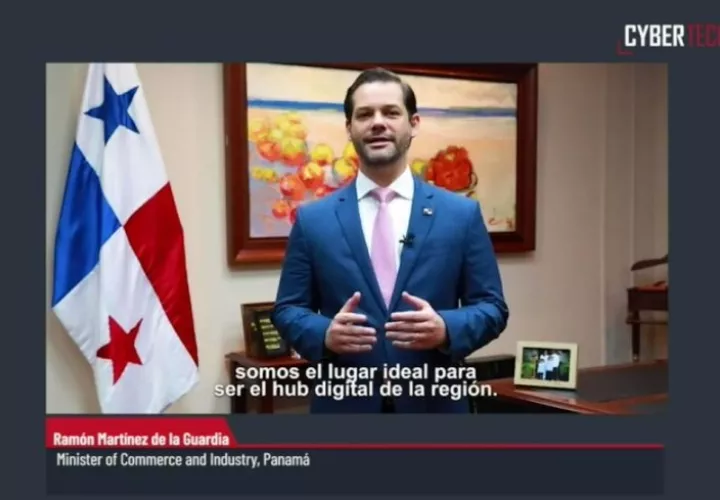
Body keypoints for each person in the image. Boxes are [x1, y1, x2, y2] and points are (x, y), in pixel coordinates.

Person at [271, 67, 509, 413]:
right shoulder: (313, 220)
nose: (378, 123)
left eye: (391, 112)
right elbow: (287, 309)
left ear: (414, 124)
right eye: (365, 114)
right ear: (349, 128)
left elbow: (492, 308)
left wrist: (446, 328)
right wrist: (324, 334)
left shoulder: (461, 214)